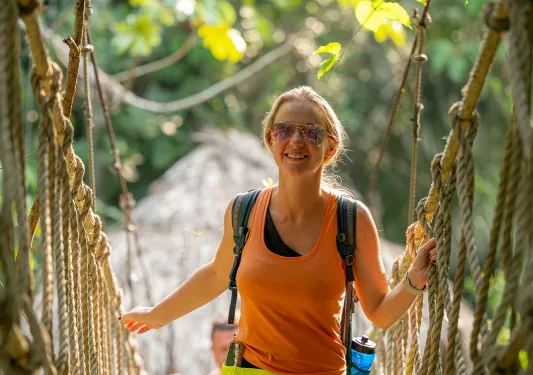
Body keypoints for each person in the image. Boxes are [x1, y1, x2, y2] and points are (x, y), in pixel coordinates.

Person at [120, 86, 437, 375]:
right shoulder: (243, 211)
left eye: (311, 133)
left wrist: (413, 282)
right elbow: (218, 274)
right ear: (271, 140)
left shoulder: (351, 220)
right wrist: (158, 314)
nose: (296, 141)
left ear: (329, 147)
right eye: (284, 130)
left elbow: (379, 312)